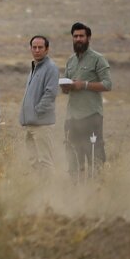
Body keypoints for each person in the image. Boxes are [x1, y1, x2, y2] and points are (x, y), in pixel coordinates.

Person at [62, 22, 112, 177]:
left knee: (95, 156)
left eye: (81, 36)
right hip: (72, 117)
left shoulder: (98, 59)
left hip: (91, 116)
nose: (78, 39)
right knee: (73, 156)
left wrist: (84, 85)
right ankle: (75, 187)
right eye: (75, 36)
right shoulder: (71, 60)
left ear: (88, 38)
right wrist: (66, 87)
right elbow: (68, 84)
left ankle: (97, 186)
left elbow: (107, 84)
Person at [18, 34, 59, 172]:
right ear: (30, 48)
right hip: (30, 123)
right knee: (33, 161)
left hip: (42, 124)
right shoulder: (35, 67)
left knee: (45, 162)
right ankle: (39, 185)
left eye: (40, 47)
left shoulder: (51, 67)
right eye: (34, 47)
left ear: (47, 49)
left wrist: (37, 111)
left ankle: (51, 186)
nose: (37, 50)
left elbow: (50, 93)